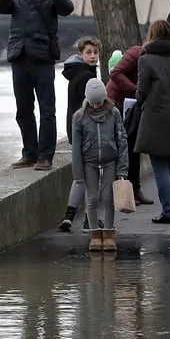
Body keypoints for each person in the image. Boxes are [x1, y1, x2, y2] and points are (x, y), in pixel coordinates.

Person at [0, 0, 75, 171]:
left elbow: (68, 8)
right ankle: (29, 153)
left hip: (43, 58)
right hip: (19, 57)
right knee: (23, 110)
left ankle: (45, 156)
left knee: (47, 110)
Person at [136, 20, 170, 224]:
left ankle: (168, 210)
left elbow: (141, 91)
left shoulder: (147, 58)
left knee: (160, 166)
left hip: (155, 118)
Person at [71, 78, 128, 253]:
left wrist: (122, 169)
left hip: (110, 159)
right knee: (92, 198)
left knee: (108, 197)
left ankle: (109, 234)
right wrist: (78, 175)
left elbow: (121, 140)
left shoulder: (114, 113)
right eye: (92, 102)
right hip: (89, 161)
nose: (96, 106)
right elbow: (76, 147)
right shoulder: (79, 117)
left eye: (99, 102)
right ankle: (95, 234)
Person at [58, 36, 99, 232]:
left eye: (95, 52)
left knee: (79, 177)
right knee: (92, 178)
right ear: (80, 55)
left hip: (75, 131)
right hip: (88, 132)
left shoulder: (75, 74)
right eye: (89, 53)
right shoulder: (88, 78)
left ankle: (69, 216)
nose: (93, 56)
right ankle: (88, 220)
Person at [106, 39, 154, 205]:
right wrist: (136, 89)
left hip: (133, 105)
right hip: (117, 103)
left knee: (134, 148)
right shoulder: (135, 52)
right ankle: (121, 190)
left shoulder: (152, 59)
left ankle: (135, 189)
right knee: (121, 148)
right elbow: (116, 73)